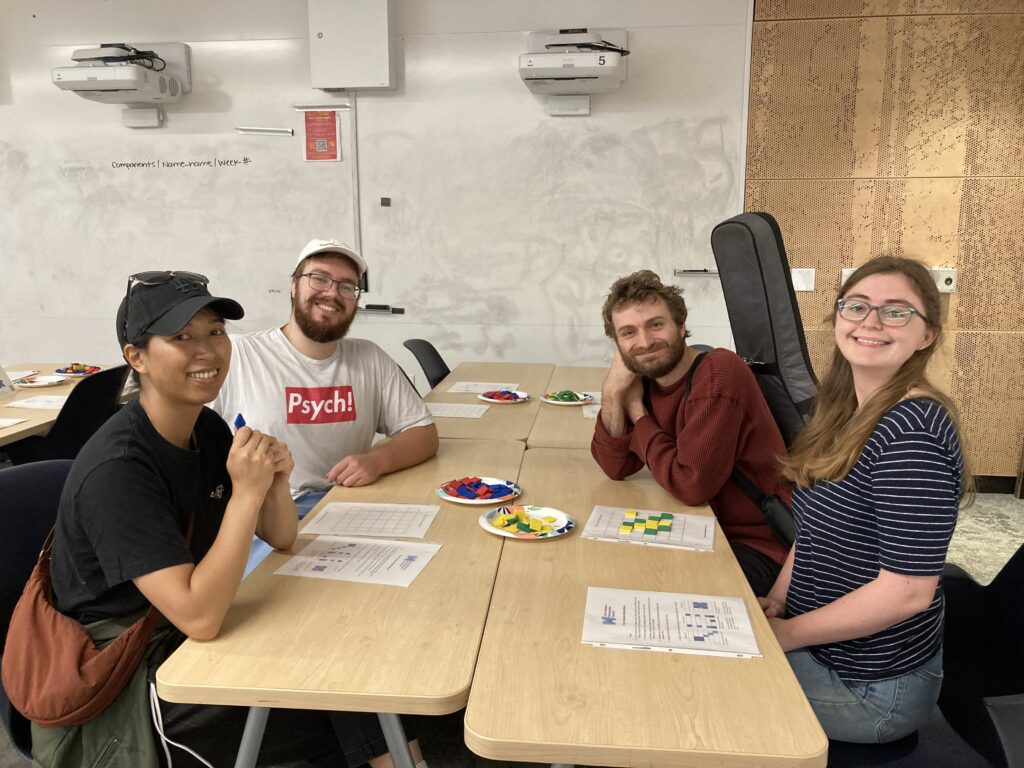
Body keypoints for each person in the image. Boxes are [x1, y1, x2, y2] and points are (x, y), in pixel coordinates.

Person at [34, 271, 346, 766]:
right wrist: (246, 493)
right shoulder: (120, 469)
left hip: (178, 629)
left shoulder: (207, 424)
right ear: (136, 357)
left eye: (216, 332)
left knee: (340, 659)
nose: (207, 350)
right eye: (182, 337)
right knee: (329, 700)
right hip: (128, 674)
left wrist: (274, 482)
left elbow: (284, 537)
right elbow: (200, 618)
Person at [759, 256, 970, 743]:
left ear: (927, 335)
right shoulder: (844, 412)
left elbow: (907, 593)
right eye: (856, 306)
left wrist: (787, 635)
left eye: (896, 312)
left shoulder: (911, 432)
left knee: (704, 684)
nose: (870, 322)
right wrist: (775, 601)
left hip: (873, 690)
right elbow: (812, 532)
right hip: (822, 649)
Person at [590, 269, 790, 596]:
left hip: (755, 545)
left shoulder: (718, 375)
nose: (644, 342)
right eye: (628, 332)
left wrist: (638, 413)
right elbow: (616, 467)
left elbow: (691, 485)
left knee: (653, 593)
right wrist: (613, 393)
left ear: (681, 326)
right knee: (608, 569)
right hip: (698, 528)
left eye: (656, 325)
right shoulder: (648, 379)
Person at [212, 239, 438, 519]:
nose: (333, 293)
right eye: (319, 279)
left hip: (350, 506)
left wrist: (377, 461)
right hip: (264, 518)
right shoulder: (238, 354)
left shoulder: (370, 358)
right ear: (294, 285)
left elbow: (423, 433)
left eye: (346, 286)